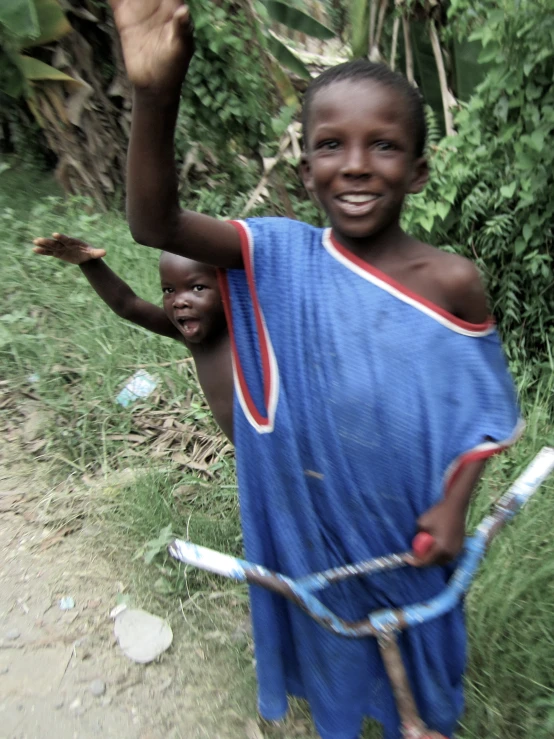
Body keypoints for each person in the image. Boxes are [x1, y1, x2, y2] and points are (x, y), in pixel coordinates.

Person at [107, 2, 523, 736]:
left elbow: (479, 409)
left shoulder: (451, 281)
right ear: (306, 169)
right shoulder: (277, 254)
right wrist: (154, 91)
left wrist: (456, 506)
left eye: (384, 146)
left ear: (420, 169)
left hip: (407, 528)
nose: (356, 164)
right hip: (312, 520)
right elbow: (156, 224)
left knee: (422, 673)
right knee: (333, 649)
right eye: (331, 144)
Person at [32, 233, 233, 442]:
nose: (179, 301)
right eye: (169, 290)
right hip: (251, 457)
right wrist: (89, 264)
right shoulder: (196, 342)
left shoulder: (249, 332)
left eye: (197, 288)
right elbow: (128, 305)